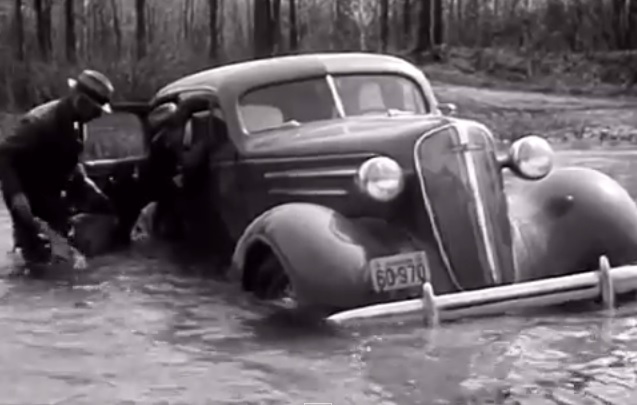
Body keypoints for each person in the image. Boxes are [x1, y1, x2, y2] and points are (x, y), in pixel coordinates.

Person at [0, 69, 116, 268]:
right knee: (37, 259)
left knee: (63, 248)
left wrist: (86, 184)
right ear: (81, 101)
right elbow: (4, 154)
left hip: (52, 189)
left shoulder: (77, 122)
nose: (98, 116)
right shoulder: (39, 123)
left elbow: (68, 157)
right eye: (96, 110)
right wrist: (16, 194)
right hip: (28, 193)